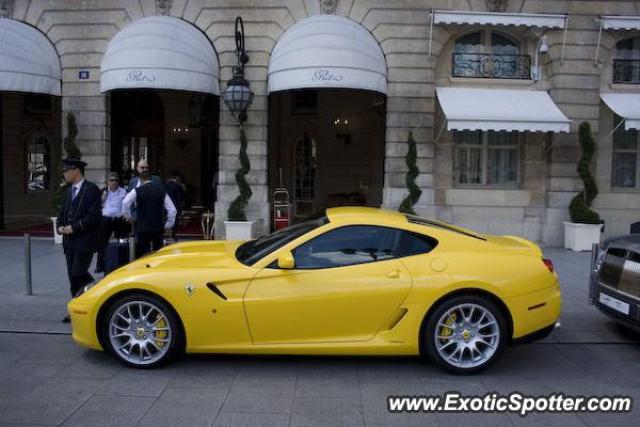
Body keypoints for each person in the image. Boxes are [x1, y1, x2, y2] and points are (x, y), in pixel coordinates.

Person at [56, 158, 101, 323]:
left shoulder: (92, 189)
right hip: (69, 243)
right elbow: (62, 214)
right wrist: (60, 227)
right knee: (72, 277)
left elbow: (94, 216)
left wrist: (73, 228)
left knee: (78, 272)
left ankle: (97, 291)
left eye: (66, 170)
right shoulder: (68, 191)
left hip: (84, 241)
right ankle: (76, 309)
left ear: (76, 170)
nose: (64, 173)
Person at [122, 171, 177, 257]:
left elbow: (125, 203)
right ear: (152, 179)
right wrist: (168, 225)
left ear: (140, 180)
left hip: (142, 226)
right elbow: (172, 210)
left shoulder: (137, 191)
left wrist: (128, 217)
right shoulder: (161, 191)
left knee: (144, 254)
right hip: (157, 227)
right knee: (158, 254)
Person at [95, 172, 128, 273]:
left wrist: (126, 215)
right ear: (108, 182)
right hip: (106, 220)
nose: (114, 182)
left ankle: (123, 263)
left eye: (116, 180)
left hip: (118, 220)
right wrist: (102, 198)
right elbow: (96, 205)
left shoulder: (123, 192)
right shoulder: (103, 191)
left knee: (122, 242)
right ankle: (100, 265)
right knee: (102, 243)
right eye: (111, 180)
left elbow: (126, 205)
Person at [164, 170, 184, 240]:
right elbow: (178, 198)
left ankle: (167, 233)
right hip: (175, 206)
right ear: (177, 177)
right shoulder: (177, 186)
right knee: (175, 220)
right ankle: (173, 234)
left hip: (166, 205)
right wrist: (180, 208)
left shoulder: (165, 184)